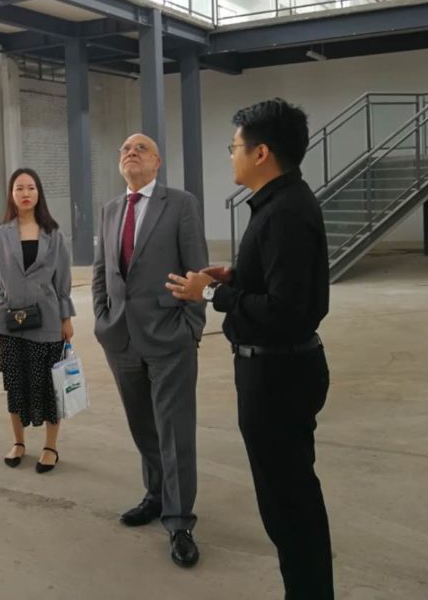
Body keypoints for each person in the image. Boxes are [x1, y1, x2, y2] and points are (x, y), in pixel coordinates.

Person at [167, 99, 333, 599]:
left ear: (262, 153)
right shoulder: (279, 203)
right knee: (289, 500)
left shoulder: (285, 212)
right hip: (278, 370)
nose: (231, 155)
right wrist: (237, 274)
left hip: (278, 376)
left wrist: (212, 294)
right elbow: (282, 281)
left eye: (234, 146)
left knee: (289, 507)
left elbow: (285, 309)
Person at [92, 133, 209, 568]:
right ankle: (156, 495)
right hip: (121, 338)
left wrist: (191, 327)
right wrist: (103, 319)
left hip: (169, 336)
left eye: (141, 148)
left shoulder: (179, 204)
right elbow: (103, 272)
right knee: (143, 426)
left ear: (157, 162)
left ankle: (179, 521)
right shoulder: (110, 210)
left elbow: (197, 270)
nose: (130, 153)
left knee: (174, 430)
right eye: (124, 149)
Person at [0, 168, 75, 473]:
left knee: (49, 386)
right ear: (11, 195)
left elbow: (62, 282)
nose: (25, 193)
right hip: (10, 321)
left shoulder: (54, 235)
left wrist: (66, 319)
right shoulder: (1, 236)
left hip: (47, 320)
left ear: (39, 193)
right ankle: (19, 442)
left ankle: (50, 446)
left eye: (31, 188)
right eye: (19, 188)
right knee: (15, 385)